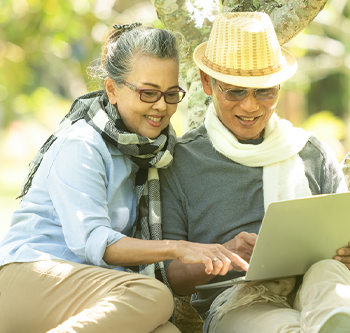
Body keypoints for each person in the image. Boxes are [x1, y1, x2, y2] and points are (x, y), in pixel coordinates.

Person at [0, 23, 248, 333]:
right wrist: (176, 247)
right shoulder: (82, 144)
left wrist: (221, 252)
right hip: (28, 279)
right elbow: (93, 241)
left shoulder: (152, 155)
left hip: (95, 288)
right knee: (153, 295)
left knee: (167, 330)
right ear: (112, 90)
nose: (161, 106)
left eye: (171, 94)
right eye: (148, 93)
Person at [159, 12, 350, 333]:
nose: (250, 106)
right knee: (285, 327)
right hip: (236, 300)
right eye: (235, 91)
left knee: (329, 278)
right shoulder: (180, 161)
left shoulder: (311, 152)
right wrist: (224, 254)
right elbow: (173, 279)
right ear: (208, 82)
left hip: (319, 288)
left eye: (265, 91)